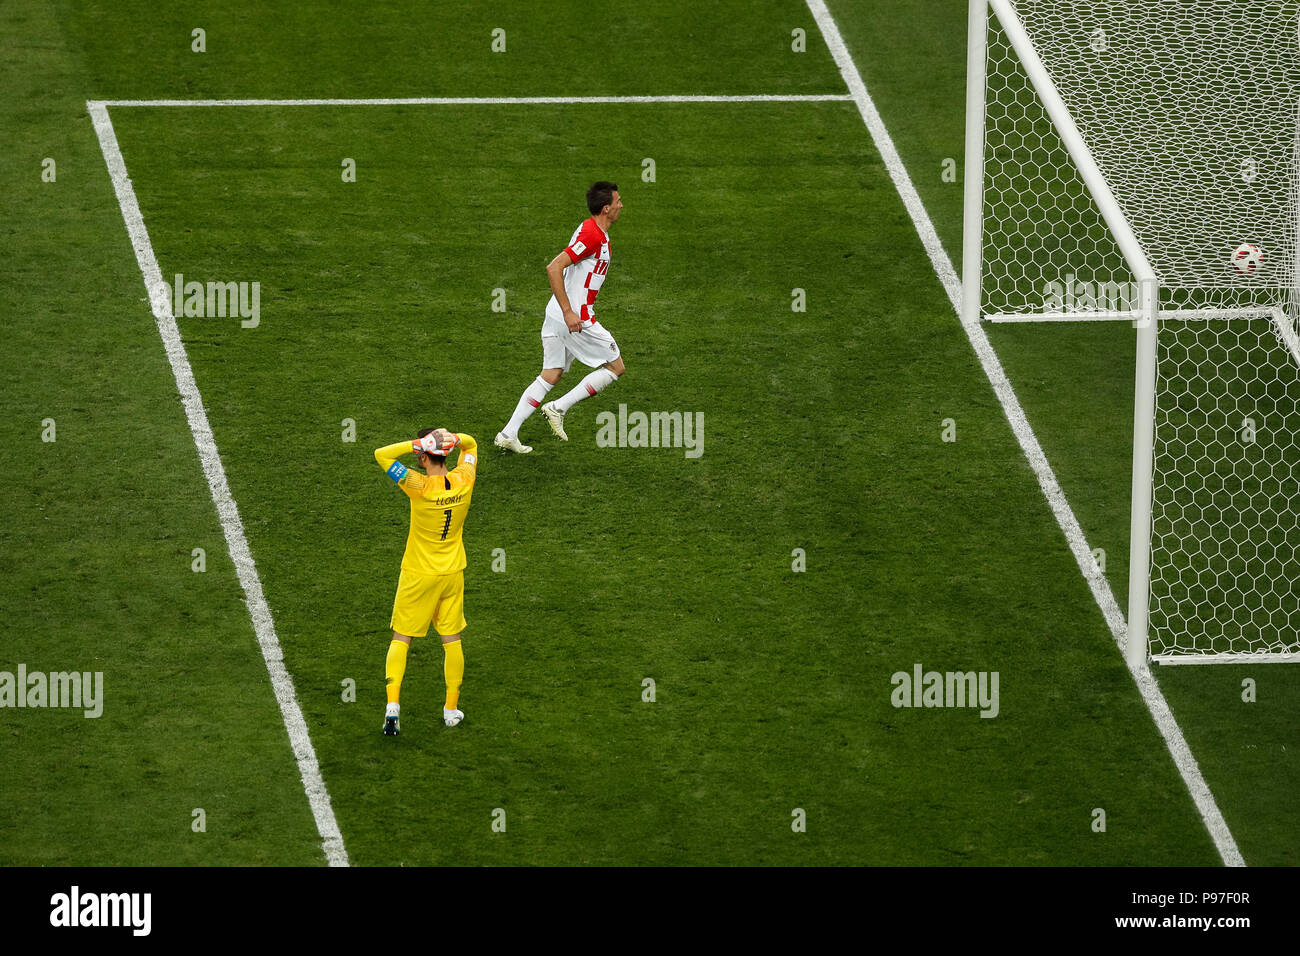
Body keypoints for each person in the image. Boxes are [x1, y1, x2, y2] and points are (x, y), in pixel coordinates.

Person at [496, 181, 626, 452]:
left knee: (551, 374)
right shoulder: (593, 236)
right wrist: (570, 312)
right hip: (575, 318)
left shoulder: (589, 227)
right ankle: (558, 407)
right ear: (606, 208)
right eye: (618, 202)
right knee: (616, 367)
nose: (621, 206)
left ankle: (508, 433)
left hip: (556, 312)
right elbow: (554, 267)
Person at [373, 427, 478, 735]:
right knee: (452, 640)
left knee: (401, 639)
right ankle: (450, 709)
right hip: (453, 572)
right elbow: (472, 445)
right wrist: (455, 439)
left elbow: (381, 454)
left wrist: (416, 443)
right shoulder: (465, 479)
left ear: (422, 455)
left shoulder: (417, 484)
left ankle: (393, 707)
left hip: (419, 575)